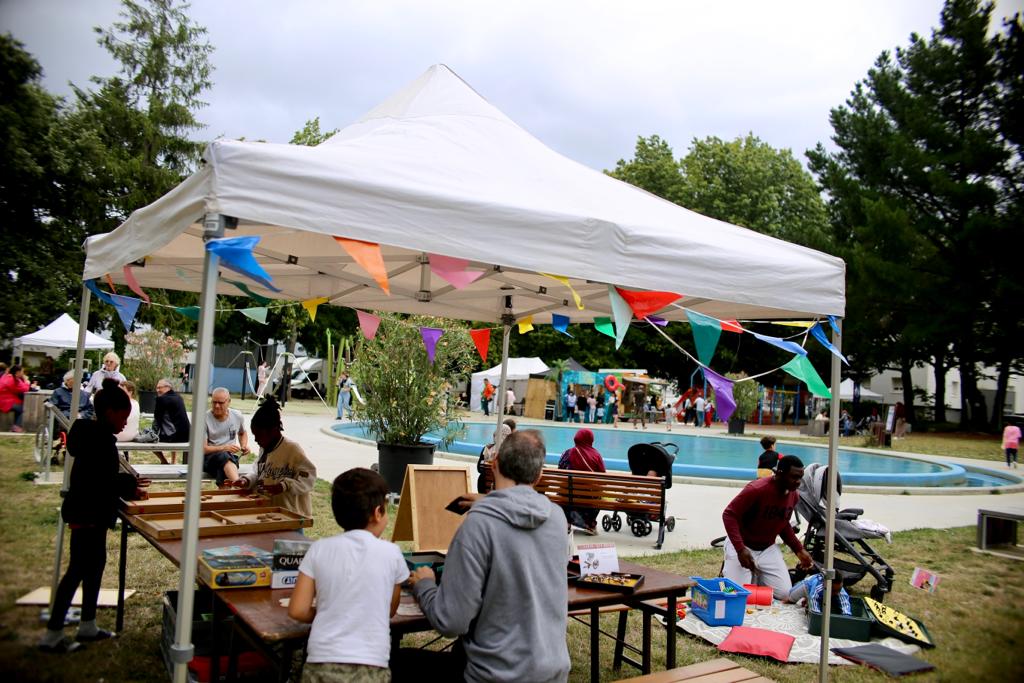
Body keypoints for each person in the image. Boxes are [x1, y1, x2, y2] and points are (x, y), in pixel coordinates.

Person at [407, 430, 571, 682]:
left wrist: (425, 585)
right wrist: (489, 501)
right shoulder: (557, 518)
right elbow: (520, 514)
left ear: (493, 464)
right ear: (539, 475)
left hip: (492, 676)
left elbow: (451, 622)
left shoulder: (478, 525)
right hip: (552, 674)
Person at [38, 379, 149, 653]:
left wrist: (128, 484)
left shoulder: (97, 436)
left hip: (95, 512)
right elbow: (102, 481)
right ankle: (52, 634)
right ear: (110, 412)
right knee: (77, 569)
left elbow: (105, 476)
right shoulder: (97, 439)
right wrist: (129, 486)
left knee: (96, 564)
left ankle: (88, 623)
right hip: (87, 512)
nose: (125, 423)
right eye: (123, 417)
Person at [288, 468, 407, 681]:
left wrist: (329, 611)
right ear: (378, 512)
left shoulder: (319, 549)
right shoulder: (392, 554)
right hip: (371, 663)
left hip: (321, 661)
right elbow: (390, 609)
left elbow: (297, 611)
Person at [722, 454, 814, 599]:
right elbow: (729, 515)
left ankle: (755, 578)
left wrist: (799, 549)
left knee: (785, 594)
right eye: (794, 477)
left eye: (800, 478)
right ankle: (732, 572)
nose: (798, 482)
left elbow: (783, 524)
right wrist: (740, 549)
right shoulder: (756, 489)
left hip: (767, 549)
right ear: (779, 473)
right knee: (735, 595)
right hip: (743, 546)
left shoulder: (793, 495)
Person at [229, 397, 316, 517]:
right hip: (270, 512)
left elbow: (309, 478)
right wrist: (247, 480)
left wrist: (284, 486)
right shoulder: (264, 448)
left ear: (274, 430)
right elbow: (258, 471)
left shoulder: (292, 449)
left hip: (292, 515)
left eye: (259, 435)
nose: (256, 439)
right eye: (254, 435)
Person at [558, 428, 606, 534]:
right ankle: (589, 524)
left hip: (568, 497)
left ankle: (567, 522)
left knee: (564, 490)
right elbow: (603, 478)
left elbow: (560, 472)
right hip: (589, 499)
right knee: (599, 493)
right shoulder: (596, 455)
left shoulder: (566, 454)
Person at [205, 387, 248, 485]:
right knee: (224, 457)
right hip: (208, 459)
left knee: (224, 461)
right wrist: (224, 448)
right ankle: (239, 485)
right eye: (214, 402)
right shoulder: (204, 418)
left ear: (229, 402)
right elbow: (203, 449)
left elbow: (242, 433)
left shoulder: (237, 416)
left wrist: (244, 446)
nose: (216, 406)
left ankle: (229, 492)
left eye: (220, 403)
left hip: (229, 459)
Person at [153, 378, 190, 465]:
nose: (157, 390)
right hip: (187, 435)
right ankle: (173, 461)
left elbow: (157, 419)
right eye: (157, 388)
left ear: (168, 387)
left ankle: (164, 461)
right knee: (172, 428)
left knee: (148, 440)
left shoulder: (161, 399)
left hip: (175, 437)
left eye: (160, 388)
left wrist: (151, 434)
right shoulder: (179, 397)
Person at [787, 573, 852, 615]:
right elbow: (814, 603)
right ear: (825, 585)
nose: (837, 593)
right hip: (807, 586)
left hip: (820, 593)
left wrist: (846, 616)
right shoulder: (817, 587)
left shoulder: (839, 590)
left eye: (839, 590)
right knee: (789, 599)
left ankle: (807, 600)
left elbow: (845, 604)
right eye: (834, 591)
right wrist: (817, 616)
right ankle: (806, 598)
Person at [476, 424, 512, 493]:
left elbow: (479, 468)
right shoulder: (511, 453)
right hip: (503, 489)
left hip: (483, 487)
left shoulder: (487, 449)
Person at [0, 364, 32, 432]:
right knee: (21, 409)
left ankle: (16, 426)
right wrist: (27, 381)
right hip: (4, 401)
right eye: (22, 372)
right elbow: (24, 389)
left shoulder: (8, 376)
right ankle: (16, 427)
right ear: (17, 372)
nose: (23, 373)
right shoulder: (12, 380)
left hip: (5, 399)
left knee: (19, 407)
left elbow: (21, 386)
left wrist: (24, 381)